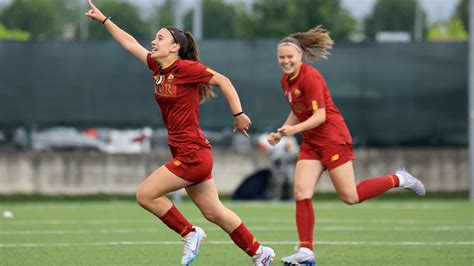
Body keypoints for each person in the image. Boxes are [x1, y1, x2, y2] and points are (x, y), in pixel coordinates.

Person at [84, 1, 275, 265]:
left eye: (160, 38)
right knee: (215, 212)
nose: (154, 41)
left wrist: (238, 114)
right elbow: (129, 43)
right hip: (192, 152)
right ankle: (259, 252)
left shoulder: (186, 69)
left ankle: (190, 232)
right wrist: (105, 20)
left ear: (175, 47)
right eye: (155, 37)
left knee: (146, 195)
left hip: (192, 154)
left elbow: (224, 81)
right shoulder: (158, 67)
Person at [266, 25, 426, 265]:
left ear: (300, 55)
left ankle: (399, 179)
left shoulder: (311, 77)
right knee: (301, 193)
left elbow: (319, 117)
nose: (286, 61)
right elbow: (297, 111)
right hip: (311, 142)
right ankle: (306, 252)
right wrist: (282, 133)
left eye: (290, 56)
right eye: (282, 57)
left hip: (332, 138)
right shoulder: (285, 80)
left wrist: (294, 131)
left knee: (350, 196)